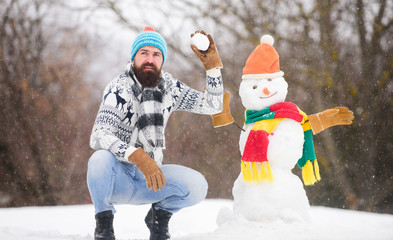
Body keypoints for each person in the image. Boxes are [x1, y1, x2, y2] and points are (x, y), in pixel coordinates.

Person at [87, 26, 224, 240]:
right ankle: (104, 224)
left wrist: (213, 67)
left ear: (162, 61)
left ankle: (158, 218)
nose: (150, 59)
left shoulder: (169, 88)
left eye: (156, 54)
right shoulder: (118, 88)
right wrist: (138, 156)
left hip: (148, 181)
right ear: (133, 58)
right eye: (144, 53)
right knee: (99, 159)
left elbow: (213, 105)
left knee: (197, 185)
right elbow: (99, 134)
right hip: (116, 179)